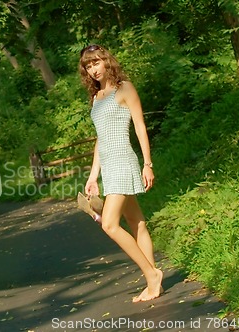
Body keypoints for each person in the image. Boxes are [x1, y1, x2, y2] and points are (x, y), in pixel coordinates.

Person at [79, 44, 163, 302]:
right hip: (109, 167)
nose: (93, 69)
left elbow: (139, 125)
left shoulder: (124, 88)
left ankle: (151, 274)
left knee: (109, 224)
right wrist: (93, 176)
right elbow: (100, 140)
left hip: (124, 161)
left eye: (96, 63)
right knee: (136, 222)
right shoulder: (96, 98)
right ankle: (153, 284)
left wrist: (147, 164)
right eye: (88, 66)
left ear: (106, 61)